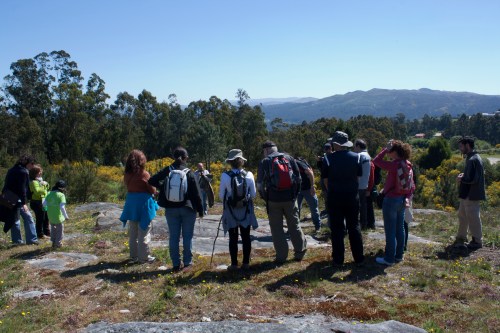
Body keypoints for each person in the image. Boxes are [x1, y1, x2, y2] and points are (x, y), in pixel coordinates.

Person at [149, 147, 203, 272]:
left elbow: (151, 180)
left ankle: (175, 264)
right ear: (186, 158)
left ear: (174, 157)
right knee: (187, 236)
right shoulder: (189, 172)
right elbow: (196, 194)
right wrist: (200, 210)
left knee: (173, 237)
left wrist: (163, 187)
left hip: (171, 209)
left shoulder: (168, 170)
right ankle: (187, 263)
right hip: (188, 209)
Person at [257, 141, 307, 263]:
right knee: (294, 225)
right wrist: (294, 195)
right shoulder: (288, 158)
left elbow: (259, 184)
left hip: (273, 200)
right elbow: (299, 179)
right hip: (290, 198)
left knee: (276, 229)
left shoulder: (264, 161)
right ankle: (300, 252)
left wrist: (266, 198)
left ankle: (281, 256)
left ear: (266, 150)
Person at [322, 131, 364, 267]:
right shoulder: (357, 157)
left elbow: (326, 181)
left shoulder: (328, 159)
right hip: (352, 196)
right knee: (354, 226)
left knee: (337, 229)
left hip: (335, 196)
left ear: (335, 144)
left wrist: (333, 191)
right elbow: (358, 178)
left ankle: (338, 259)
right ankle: (358, 258)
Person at [373, 140, 414, 266]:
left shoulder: (395, 165)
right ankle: (399, 256)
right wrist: (407, 198)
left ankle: (389, 258)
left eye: (390, 151)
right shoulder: (407, 164)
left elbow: (376, 161)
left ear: (395, 152)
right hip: (402, 199)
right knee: (400, 228)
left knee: (390, 230)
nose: (388, 153)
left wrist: (385, 149)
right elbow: (412, 186)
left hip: (391, 200)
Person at [219, 149, 258, 271]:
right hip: (245, 209)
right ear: (242, 161)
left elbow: (221, 196)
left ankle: (234, 264)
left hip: (231, 210)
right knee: (246, 236)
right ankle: (246, 263)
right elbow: (253, 194)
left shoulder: (225, 175)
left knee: (233, 237)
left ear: (230, 162)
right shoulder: (249, 175)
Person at [119, 150, 159, 263]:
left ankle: (134, 256)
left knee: (133, 232)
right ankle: (144, 257)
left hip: (131, 203)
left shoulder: (127, 174)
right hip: (143, 205)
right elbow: (152, 189)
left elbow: (128, 187)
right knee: (144, 231)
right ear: (142, 161)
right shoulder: (144, 174)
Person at [453, 136, 486, 251]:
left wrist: (461, 179)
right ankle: (461, 237)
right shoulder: (473, 157)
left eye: (461, 146)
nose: (460, 149)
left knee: (473, 217)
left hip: (471, 194)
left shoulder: (473, 159)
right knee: (462, 216)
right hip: (467, 194)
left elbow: (473, 178)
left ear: (467, 145)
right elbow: (472, 175)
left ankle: (477, 241)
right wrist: (464, 175)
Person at [0, 155, 38, 245]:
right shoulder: (23, 172)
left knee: (14, 219)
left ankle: (17, 241)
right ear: (27, 163)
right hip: (17, 199)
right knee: (28, 217)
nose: (32, 166)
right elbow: (22, 189)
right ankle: (32, 239)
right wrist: (24, 203)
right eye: (32, 164)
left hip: (7, 197)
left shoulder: (12, 169)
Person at [295, 157, 321, 232]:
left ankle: (317, 226)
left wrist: (312, 186)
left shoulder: (298, 163)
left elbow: (310, 173)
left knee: (313, 208)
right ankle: (295, 227)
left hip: (308, 189)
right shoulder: (288, 163)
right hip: (298, 189)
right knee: (296, 209)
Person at [43, 180, 69, 248]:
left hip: (50, 216)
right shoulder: (61, 195)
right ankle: (58, 243)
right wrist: (66, 216)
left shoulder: (49, 193)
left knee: (53, 229)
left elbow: (44, 204)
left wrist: (50, 207)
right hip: (58, 216)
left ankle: (53, 242)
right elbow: (62, 207)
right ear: (62, 188)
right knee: (59, 231)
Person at [353, 139, 372, 230]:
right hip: (365, 184)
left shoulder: (360, 156)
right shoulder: (367, 156)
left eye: (354, 146)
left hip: (358, 184)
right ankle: (364, 224)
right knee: (363, 205)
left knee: (356, 206)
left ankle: (356, 225)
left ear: (358, 146)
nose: (353, 148)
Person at [29, 164, 50, 239]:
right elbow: (37, 192)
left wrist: (45, 184)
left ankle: (47, 232)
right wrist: (44, 186)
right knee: (40, 218)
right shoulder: (33, 182)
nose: (41, 173)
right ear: (35, 173)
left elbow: (48, 186)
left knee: (46, 217)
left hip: (43, 201)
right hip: (37, 202)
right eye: (39, 172)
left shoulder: (39, 181)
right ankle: (40, 234)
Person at [316, 142, 332, 218]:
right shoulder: (324, 157)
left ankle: (330, 210)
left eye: (327, 149)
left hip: (330, 178)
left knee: (330, 194)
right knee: (326, 195)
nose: (327, 150)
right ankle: (328, 209)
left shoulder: (332, 156)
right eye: (326, 149)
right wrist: (319, 161)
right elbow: (320, 168)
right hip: (325, 178)